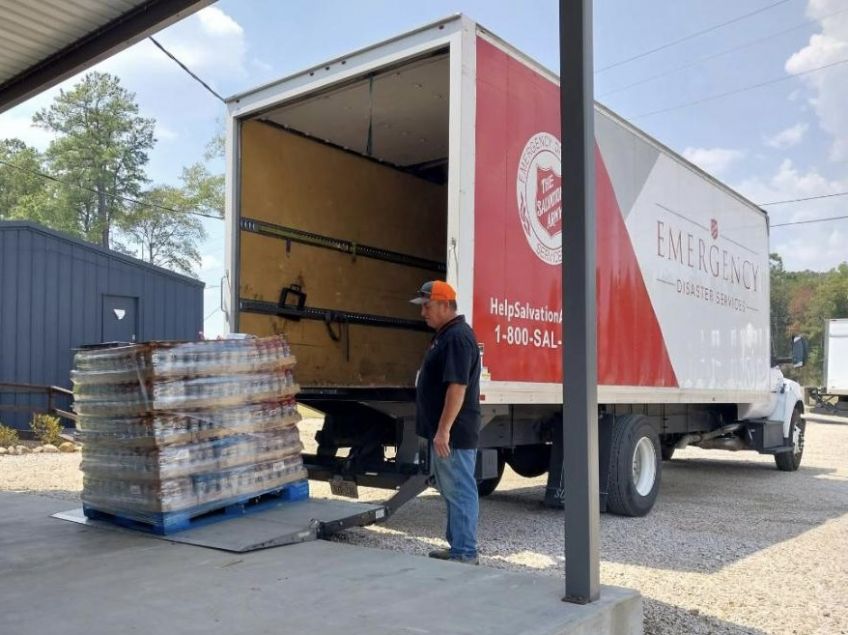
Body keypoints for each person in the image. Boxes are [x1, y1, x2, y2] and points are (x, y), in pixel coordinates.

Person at [410, 280, 481, 565]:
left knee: (461, 488)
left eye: (426, 306)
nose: (422, 312)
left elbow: (457, 387)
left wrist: (443, 431)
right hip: (447, 432)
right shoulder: (446, 335)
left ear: (444, 304)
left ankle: (465, 552)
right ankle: (458, 548)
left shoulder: (457, 338)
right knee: (453, 489)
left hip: (455, 433)